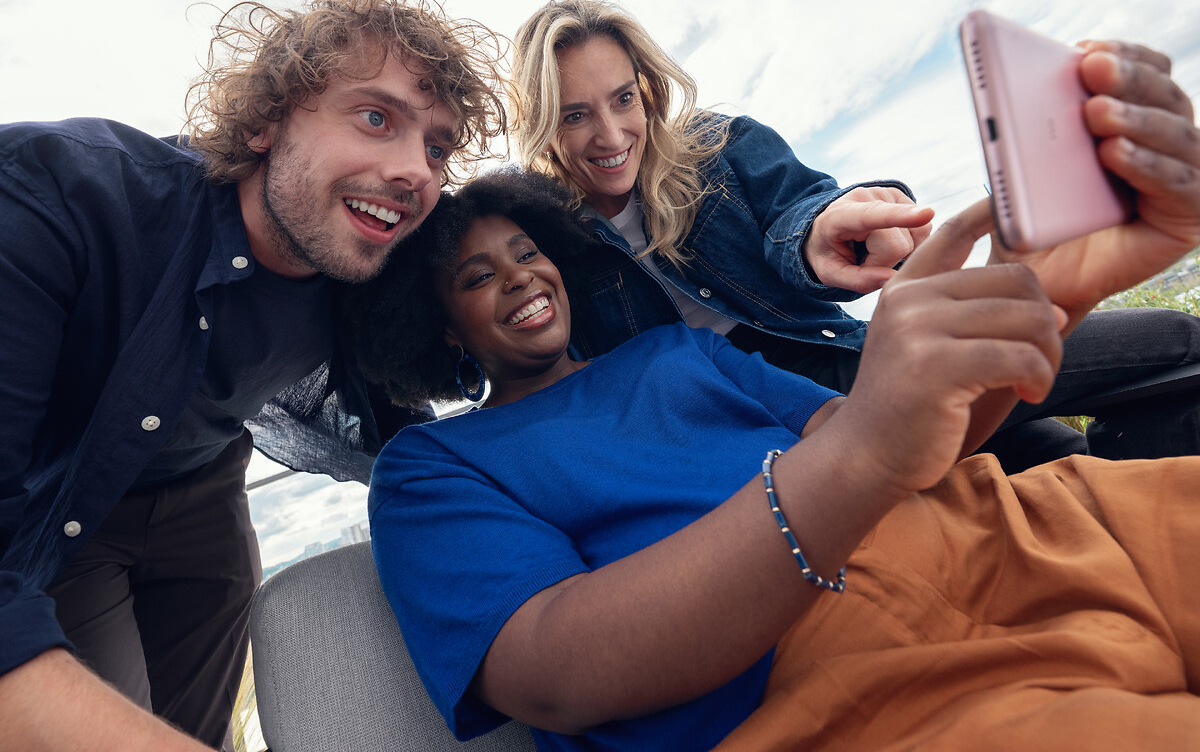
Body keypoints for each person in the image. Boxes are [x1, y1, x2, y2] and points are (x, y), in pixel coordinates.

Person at [342, 83, 1200, 750]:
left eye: (527, 253)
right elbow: (554, 671)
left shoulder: (674, 353)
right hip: (850, 691)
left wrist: (1043, 297)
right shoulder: (432, 468)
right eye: (479, 277)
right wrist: (864, 450)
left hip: (1024, 530)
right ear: (441, 325)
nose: (522, 277)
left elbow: (910, 452)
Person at [0, 0, 507, 751]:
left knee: (195, 724)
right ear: (267, 123)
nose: (416, 171)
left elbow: (417, 415)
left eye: (437, 148)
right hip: (70, 516)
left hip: (207, 503)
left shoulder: (367, 275)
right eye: (376, 117)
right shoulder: (61, 196)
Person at [508, 0, 1200, 468]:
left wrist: (828, 233)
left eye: (622, 99)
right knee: (1031, 456)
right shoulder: (545, 240)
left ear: (646, 91)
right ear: (543, 124)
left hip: (851, 366)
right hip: (746, 440)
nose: (609, 134)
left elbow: (806, 211)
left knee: (1157, 368)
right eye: (574, 116)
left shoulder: (718, 147)